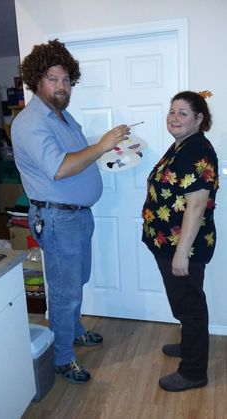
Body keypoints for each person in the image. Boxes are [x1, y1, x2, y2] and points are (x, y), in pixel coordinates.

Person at [11, 39, 130, 384]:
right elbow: (60, 168)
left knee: (75, 282)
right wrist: (102, 144)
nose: (61, 86)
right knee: (64, 291)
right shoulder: (31, 122)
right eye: (53, 78)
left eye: (66, 79)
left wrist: (107, 151)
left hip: (75, 215)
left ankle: (74, 330)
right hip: (58, 218)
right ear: (37, 80)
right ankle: (63, 358)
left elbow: (81, 157)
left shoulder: (61, 116)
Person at [142, 91, 219, 392]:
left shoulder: (197, 151)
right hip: (168, 241)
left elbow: (197, 206)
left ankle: (193, 371)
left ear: (199, 119)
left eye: (183, 113)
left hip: (183, 246)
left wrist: (181, 254)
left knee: (189, 306)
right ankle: (189, 345)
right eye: (172, 111)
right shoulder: (181, 146)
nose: (174, 117)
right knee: (184, 302)